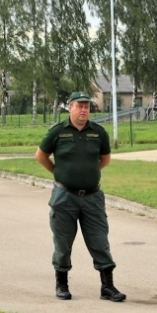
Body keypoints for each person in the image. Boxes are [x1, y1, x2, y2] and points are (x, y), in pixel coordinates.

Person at [35, 92, 125, 302]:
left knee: (100, 241)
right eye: (80, 106)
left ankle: (108, 287)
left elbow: (104, 159)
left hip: (92, 197)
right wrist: (60, 174)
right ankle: (62, 284)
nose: (84, 110)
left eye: (87, 106)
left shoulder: (98, 133)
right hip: (64, 197)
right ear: (70, 107)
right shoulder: (58, 132)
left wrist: (87, 175)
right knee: (63, 242)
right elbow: (41, 156)